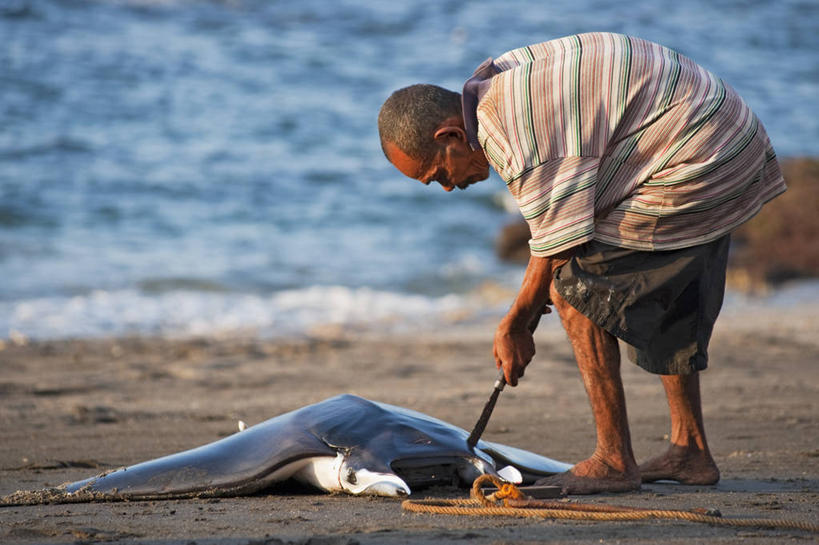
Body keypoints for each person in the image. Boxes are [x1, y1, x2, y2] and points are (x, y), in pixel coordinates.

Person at [377, 32, 786, 494]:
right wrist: (521, 317)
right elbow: (561, 220)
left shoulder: (507, 127)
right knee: (656, 278)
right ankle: (688, 449)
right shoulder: (495, 85)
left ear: (450, 135)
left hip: (700, 160)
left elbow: (559, 242)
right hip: (721, 139)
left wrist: (515, 322)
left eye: (437, 175)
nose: (448, 187)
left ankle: (613, 459)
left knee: (572, 290)